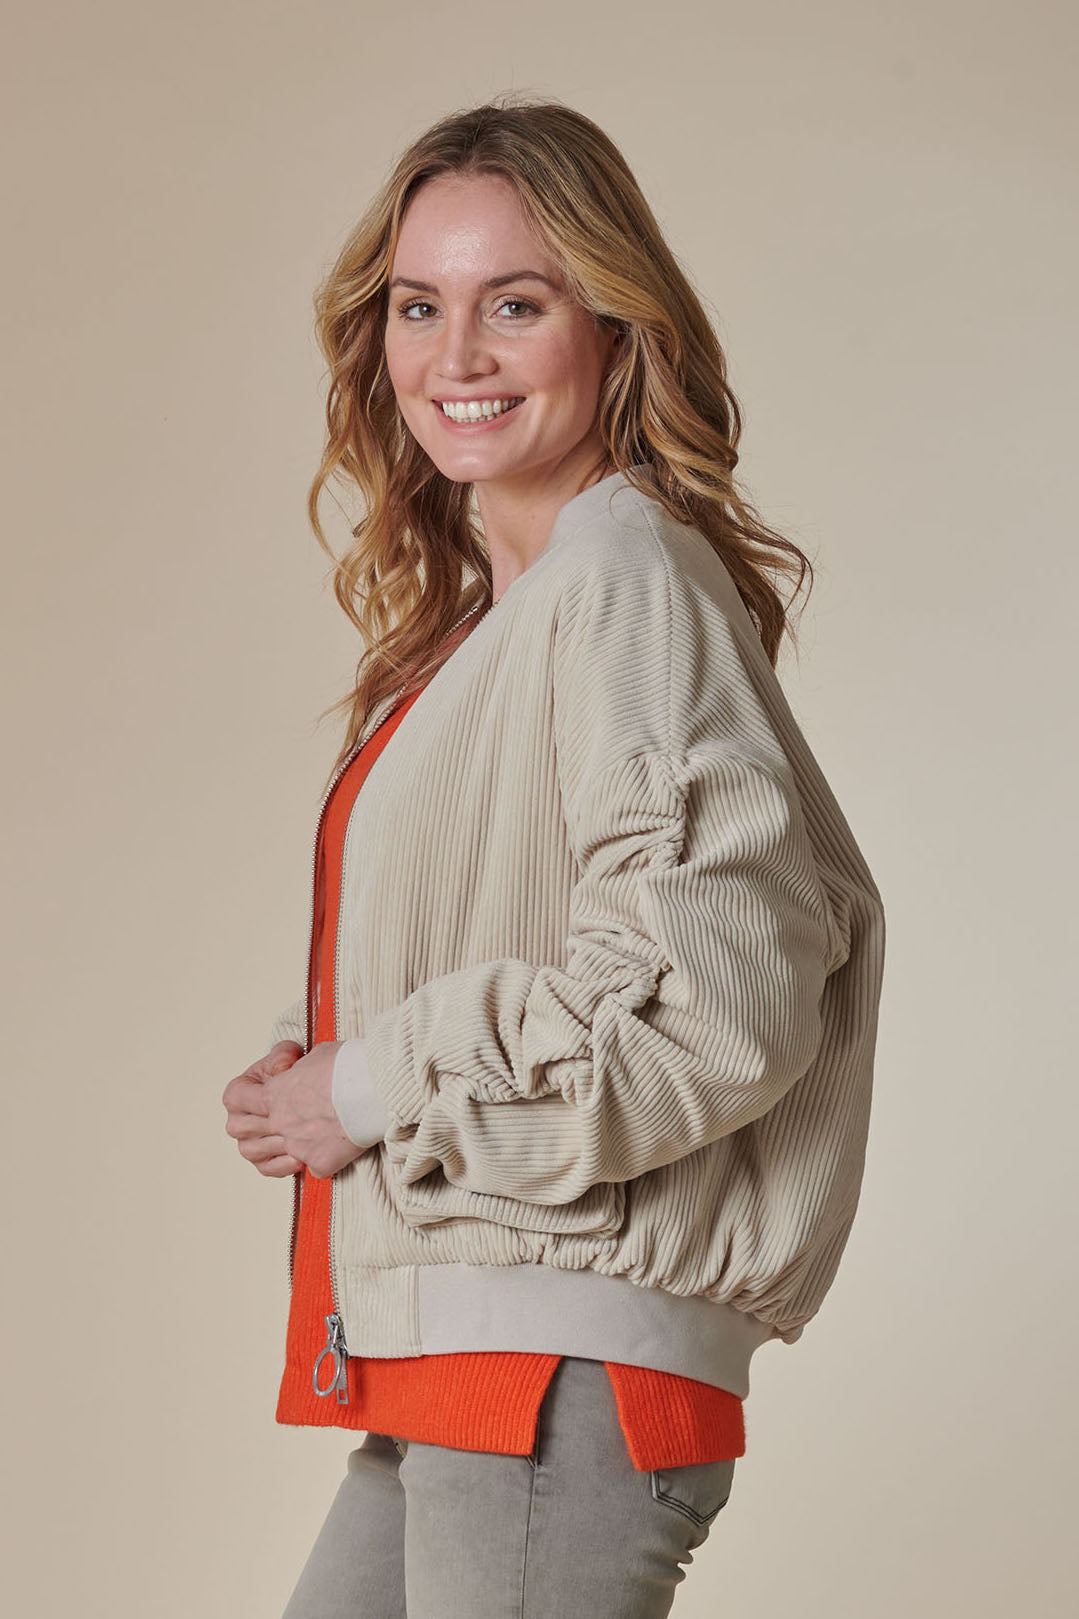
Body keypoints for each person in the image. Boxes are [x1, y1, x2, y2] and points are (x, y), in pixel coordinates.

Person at [222, 93, 886, 1619]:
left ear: (612, 329)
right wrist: (318, 1066)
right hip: (473, 1349)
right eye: (419, 306)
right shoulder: (510, 618)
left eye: (515, 304)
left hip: (557, 1365)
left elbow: (712, 998)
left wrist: (374, 1085)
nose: (456, 356)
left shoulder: (622, 579)